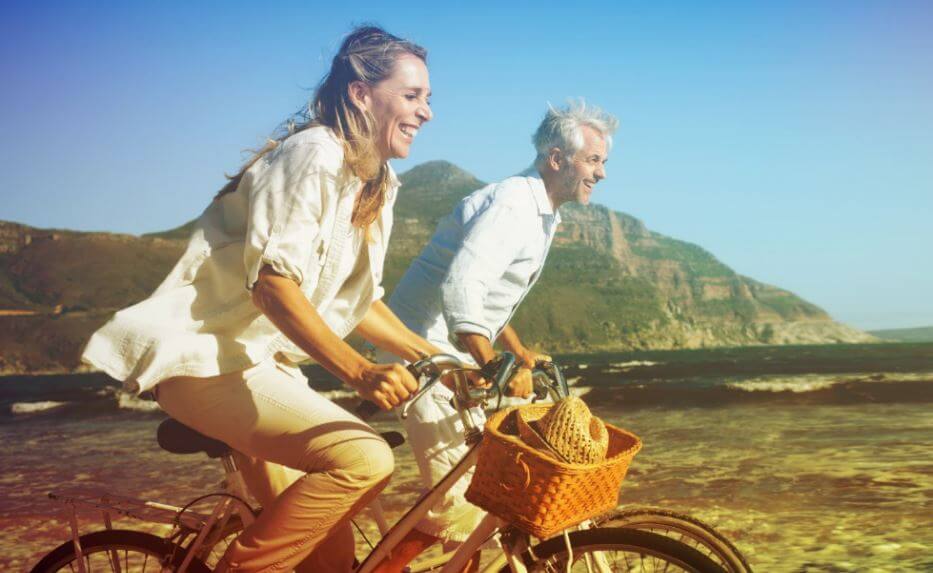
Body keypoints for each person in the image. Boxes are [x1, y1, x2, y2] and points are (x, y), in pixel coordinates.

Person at [81, 26, 445, 573]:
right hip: (209, 361)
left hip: (263, 368)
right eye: (412, 96)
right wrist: (361, 373)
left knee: (331, 559)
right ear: (361, 93)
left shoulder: (378, 184)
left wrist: (440, 358)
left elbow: (357, 302)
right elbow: (273, 288)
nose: (426, 113)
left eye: (428, 99)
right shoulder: (314, 154)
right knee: (365, 458)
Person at [376, 100, 618, 571]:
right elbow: (462, 287)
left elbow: (489, 297)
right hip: (422, 355)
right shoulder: (513, 205)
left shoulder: (542, 210)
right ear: (556, 158)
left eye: (603, 162)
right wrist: (492, 367)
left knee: (513, 484)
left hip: (453, 352)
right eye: (593, 160)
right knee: (457, 507)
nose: (602, 173)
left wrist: (518, 351)